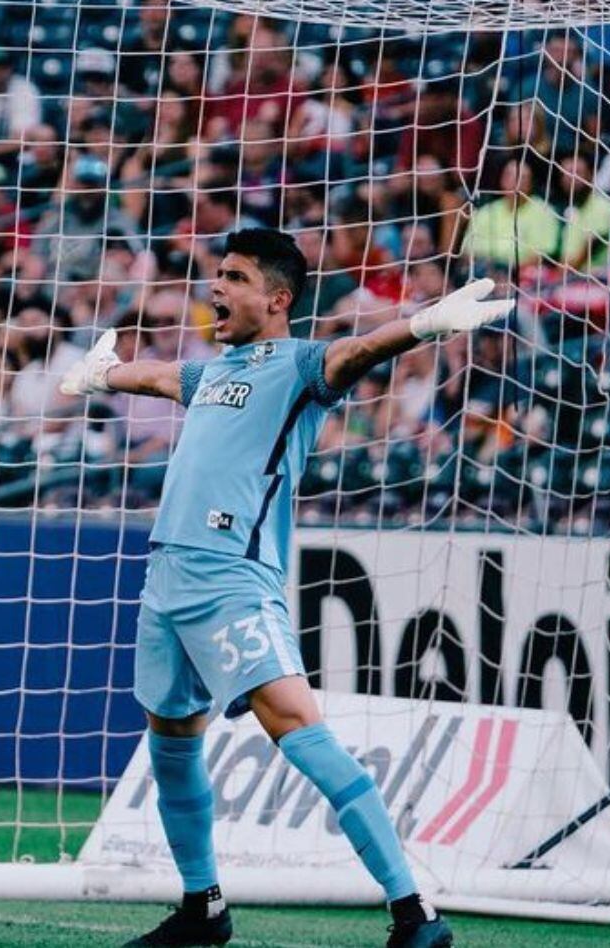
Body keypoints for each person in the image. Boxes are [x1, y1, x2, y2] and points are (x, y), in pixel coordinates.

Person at [59, 228, 512, 948]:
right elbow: (156, 376)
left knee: (296, 728)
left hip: (232, 577)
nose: (216, 289)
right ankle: (203, 908)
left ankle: (413, 911)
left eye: (233, 277)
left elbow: (352, 353)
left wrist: (421, 324)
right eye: (216, 275)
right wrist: (103, 374)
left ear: (276, 298)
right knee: (173, 735)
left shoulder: (300, 366)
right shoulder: (214, 372)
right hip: (167, 576)